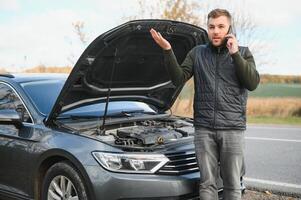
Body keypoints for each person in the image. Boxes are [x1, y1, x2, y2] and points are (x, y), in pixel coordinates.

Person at [150, 8, 260, 200]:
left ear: (229, 28)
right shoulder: (197, 53)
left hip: (233, 129)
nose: (216, 31)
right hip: (204, 130)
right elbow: (178, 79)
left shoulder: (243, 53)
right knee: (207, 184)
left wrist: (235, 54)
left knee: (232, 184)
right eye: (211, 27)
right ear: (207, 28)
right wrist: (168, 51)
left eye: (220, 26)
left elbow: (252, 83)